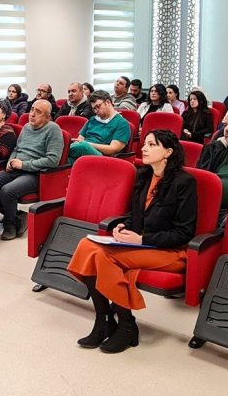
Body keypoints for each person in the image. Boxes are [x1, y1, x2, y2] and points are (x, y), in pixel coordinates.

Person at [67, 130, 198, 354]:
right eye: (144, 143)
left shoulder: (184, 182)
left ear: (168, 152)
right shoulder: (144, 175)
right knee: (86, 245)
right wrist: (123, 226)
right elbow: (135, 213)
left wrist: (142, 239)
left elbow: (184, 232)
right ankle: (105, 320)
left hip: (168, 250)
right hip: (139, 244)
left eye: (151, 145)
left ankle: (126, 325)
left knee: (103, 255)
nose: (144, 148)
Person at [0, 100, 63, 240]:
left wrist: (24, 165)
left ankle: (9, 224)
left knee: (8, 191)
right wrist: (11, 160)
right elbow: (17, 149)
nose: (32, 114)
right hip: (16, 168)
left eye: (38, 112)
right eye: (32, 109)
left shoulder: (53, 129)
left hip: (35, 174)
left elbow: (53, 160)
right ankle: (18, 216)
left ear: (48, 117)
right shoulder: (27, 127)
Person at [68, 91, 131, 162]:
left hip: (103, 157)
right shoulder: (92, 119)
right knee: (65, 161)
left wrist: (88, 144)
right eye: (94, 108)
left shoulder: (122, 123)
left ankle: (61, 151)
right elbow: (80, 140)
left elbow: (113, 149)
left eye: (98, 106)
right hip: (83, 153)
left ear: (108, 102)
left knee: (83, 146)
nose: (96, 111)